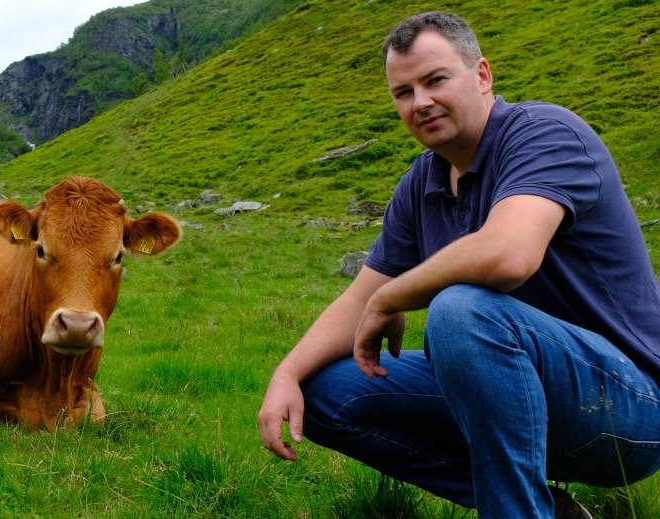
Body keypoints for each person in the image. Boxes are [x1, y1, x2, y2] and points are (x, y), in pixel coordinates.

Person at [256, 11, 660, 519]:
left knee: (463, 311)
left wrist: (396, 295)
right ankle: (541, 508)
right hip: (521, 398)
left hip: (630, 408)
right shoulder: (421, 184)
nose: (420, 102)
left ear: (483, 75)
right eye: (403, 92)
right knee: (326, 391)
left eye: (435, 80)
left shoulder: (546, 134)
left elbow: (508, 254)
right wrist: (286, 375)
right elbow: (359, 298)